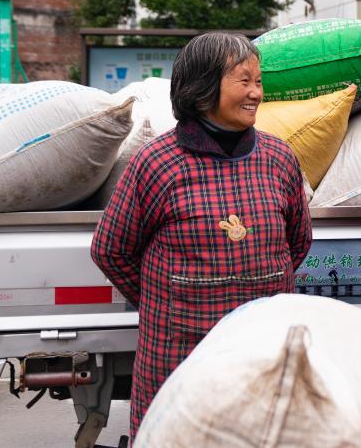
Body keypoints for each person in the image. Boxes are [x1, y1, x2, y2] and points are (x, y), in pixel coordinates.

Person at [91, 32, 312, 440]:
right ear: (202, 87)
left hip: (260, 352)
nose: (256, 93)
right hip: (178, 351)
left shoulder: (278, 158)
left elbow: (297, 242)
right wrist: (165, 299)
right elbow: (110, 250)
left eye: (258, 81)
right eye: (243, 80)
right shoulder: (156, 163)